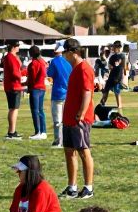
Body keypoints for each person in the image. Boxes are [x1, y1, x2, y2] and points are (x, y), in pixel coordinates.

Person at [59, 38, 95, 199]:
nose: (64, 55)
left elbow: (87, 92)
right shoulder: (75, 68)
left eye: (65, 52)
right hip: (69, 118)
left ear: (73, 52)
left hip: (79, 118)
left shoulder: (84, 68)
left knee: (83, 151)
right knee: (69, 151)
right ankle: (72, 186)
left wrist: (81, 113)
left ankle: (88, 187)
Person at [46, 43, 71, 148]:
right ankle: (66, 139)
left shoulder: (54, 62)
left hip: (57, 93)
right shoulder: (68, 62)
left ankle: (58, 140)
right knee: (66, 119)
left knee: (57, 120)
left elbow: (50, 74)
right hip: (68, 93)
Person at [2, 39, 24, 140]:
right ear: (14, 47)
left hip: (10, 85)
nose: (19, 47)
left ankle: (12, 131)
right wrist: (22, 78)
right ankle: (12, 132)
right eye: (18, 45)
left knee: (13, 108)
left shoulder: (8, 57)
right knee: (14, 109)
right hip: (14, 86)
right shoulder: (11, 57)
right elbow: (15, 72)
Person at [25, 45, 48, 140]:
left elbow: (32, 78)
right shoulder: (42, 61)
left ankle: (37, 131)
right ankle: (43, 131)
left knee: (35, 110)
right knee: (41, 110)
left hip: (35, 88)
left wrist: (26, 85)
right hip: (42, 87)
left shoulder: (33, 64)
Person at [97, 40, 125, 109]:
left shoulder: (120, 56)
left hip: (117, 76)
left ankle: (118, 105)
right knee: (108, 90)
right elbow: (110, 66)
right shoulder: (116, 56)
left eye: (115, 47)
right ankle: (102, 103)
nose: (113, 48)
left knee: (116, 91)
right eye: (113, 47)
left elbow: (120, 66)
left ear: (118, 47)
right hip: (113, 76)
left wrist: (122, 77)